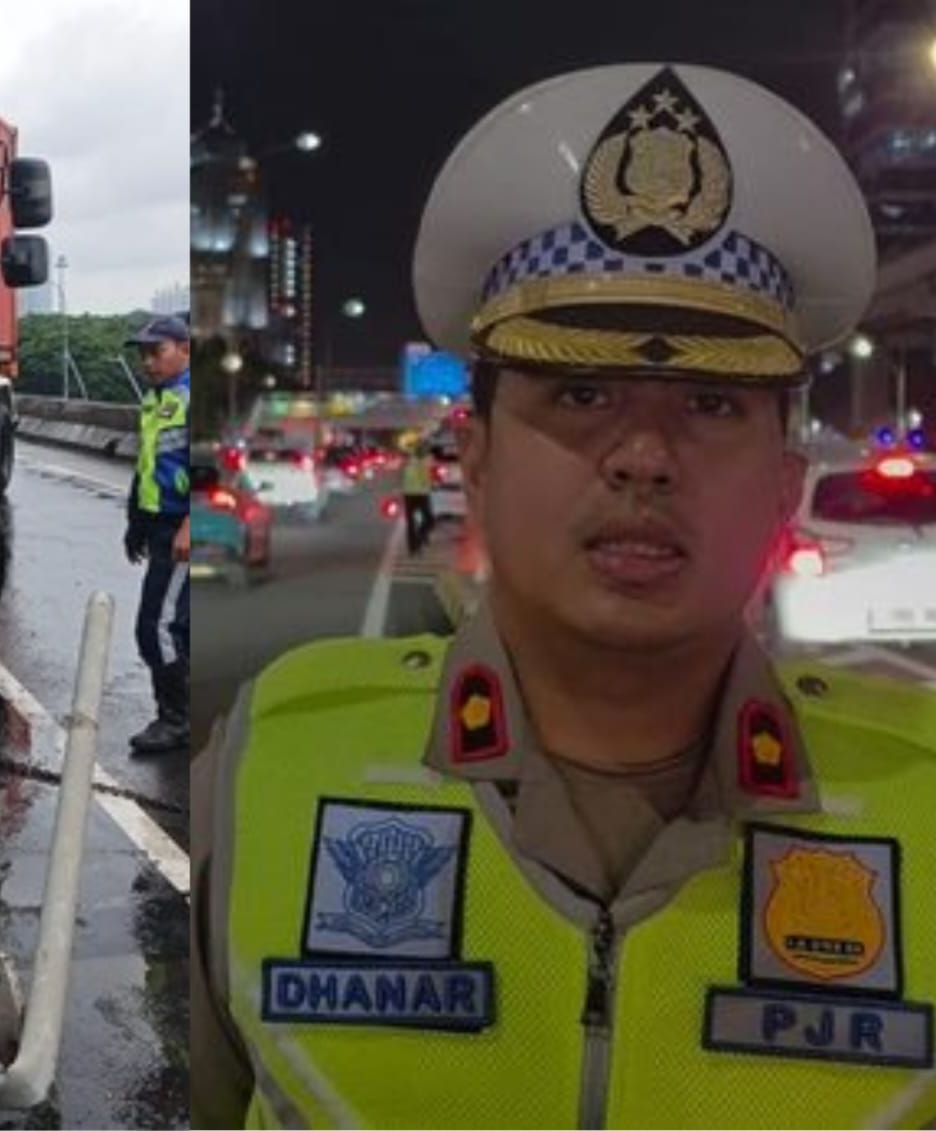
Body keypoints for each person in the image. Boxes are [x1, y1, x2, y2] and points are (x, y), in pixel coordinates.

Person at [192, 63, 936, 1128]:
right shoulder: (261, 770)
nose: (642, 456)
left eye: (711, 403)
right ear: (476, 458)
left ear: (784, 479)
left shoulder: (921, 787)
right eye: (579, 393)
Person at [124, 314, 192, 755]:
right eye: (144, 354)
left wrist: (192, 524)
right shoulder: (156, 400)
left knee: (157, 627)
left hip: (185, 531)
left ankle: (176, 718)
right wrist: (135, 525)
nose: (149, 362)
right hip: (160, 527)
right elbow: (147, 468)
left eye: (158, 351)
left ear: (185, 349)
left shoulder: (192, 398)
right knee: (181, 625)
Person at [399, 439, 436, 555]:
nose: (425, 450)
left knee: (428, 520)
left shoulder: (425, 459)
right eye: (424, 447)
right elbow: (404, 473)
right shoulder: (413, 459)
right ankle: (414, 546)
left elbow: (429, 474)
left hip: (419, 493)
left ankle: (419, 539)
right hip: (413, 493)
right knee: (414, 522)